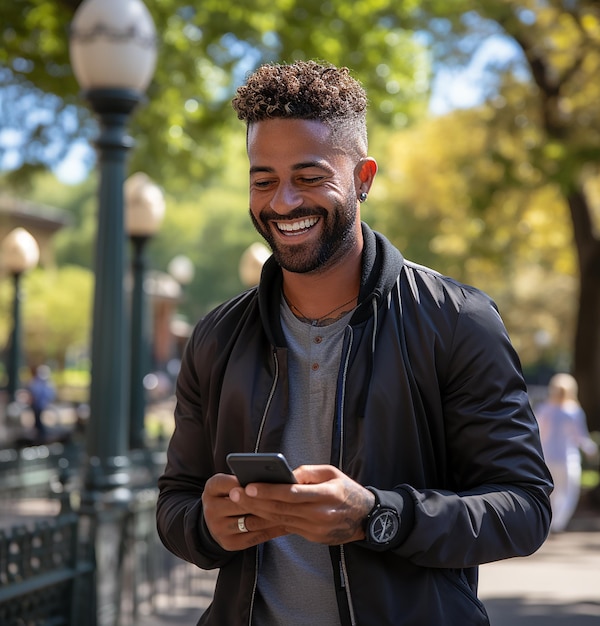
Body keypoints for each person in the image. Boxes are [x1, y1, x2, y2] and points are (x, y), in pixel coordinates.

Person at [156, 60, 552, 626]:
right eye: (263, 178)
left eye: (310, 177)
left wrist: (376, 515)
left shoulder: (459, 321)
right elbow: (175, 501)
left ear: (363, 178)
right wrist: (206, 526)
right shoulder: (216, 338)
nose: (283, 202)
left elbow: (524, 508)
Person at [535, 373, 598, 533]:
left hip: (547, 458)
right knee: (569, 492)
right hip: (567, 459)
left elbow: (537, 433)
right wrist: (592, 449)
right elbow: (581, 438)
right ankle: (558, 523)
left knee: (552, 493)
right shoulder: (574, 411)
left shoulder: (544, 409)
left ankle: (549, 522)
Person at [27, 364, 55, 443]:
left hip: (40, 405)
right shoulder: (37, 382)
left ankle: (41, 435)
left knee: (39, 420)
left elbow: (49, 394)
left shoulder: (46, 383)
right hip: (37, 405)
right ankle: (39, 435)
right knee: (37, 420)